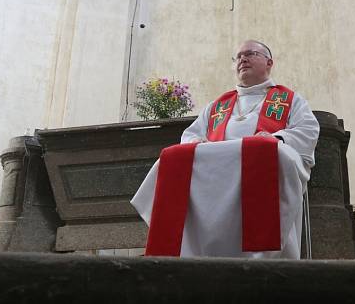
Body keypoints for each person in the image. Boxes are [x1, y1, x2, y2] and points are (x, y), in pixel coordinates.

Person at [131, 40, 319, 259]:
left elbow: (307, 130)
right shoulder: (217, 105)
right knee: (171, 159)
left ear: (269, 62)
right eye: (238, 57)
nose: (243, 59)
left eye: (250, 54)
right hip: (217, 176)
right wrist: (197, 145)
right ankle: (193, 252)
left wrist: (276, 137)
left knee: (274, 153)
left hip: (261, 172)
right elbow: (191, 135)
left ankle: (262, 256)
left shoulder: (289, 100)